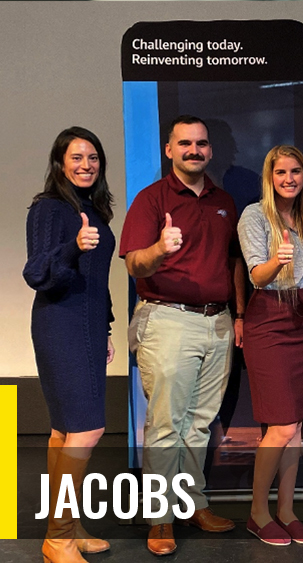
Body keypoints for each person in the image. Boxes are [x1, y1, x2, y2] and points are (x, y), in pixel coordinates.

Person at [119, 115, 246, 557]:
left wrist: (239, 314)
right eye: (185, 143)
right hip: (167, 318)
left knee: (200, 422)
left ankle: (192, 503)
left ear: (210, 150)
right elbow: (134, 263)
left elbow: (233, 262)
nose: (194, 150)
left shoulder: (224, 201)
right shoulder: (151, 199)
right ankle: (159, 516)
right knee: (166, 424)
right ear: (169, 150)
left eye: (201, 143)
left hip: (218, 321)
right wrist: (160, 248)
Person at [24, 127, 115, 563]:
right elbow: (37, 272)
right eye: (77, 157)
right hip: (60, 323)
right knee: (87, 428)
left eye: (93, 157)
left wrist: (107, 327)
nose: (86, 165)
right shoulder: (49, 208)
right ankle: (57, 539)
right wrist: (73, 248)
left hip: (89, 325)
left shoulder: (93, 209)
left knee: (64, 430)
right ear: (60, 163)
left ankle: (68, 526)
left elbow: (97, 278)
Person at [238, 145, 303, 547]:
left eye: (295, 172)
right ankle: (258, 513)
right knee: (281, 426)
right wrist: (278, 260)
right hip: (269, 319)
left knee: (295, 428)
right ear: (269, 178)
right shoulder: (255, 215)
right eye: (281, 172)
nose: (289, 179)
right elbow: (257, 275)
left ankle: (286, 511)